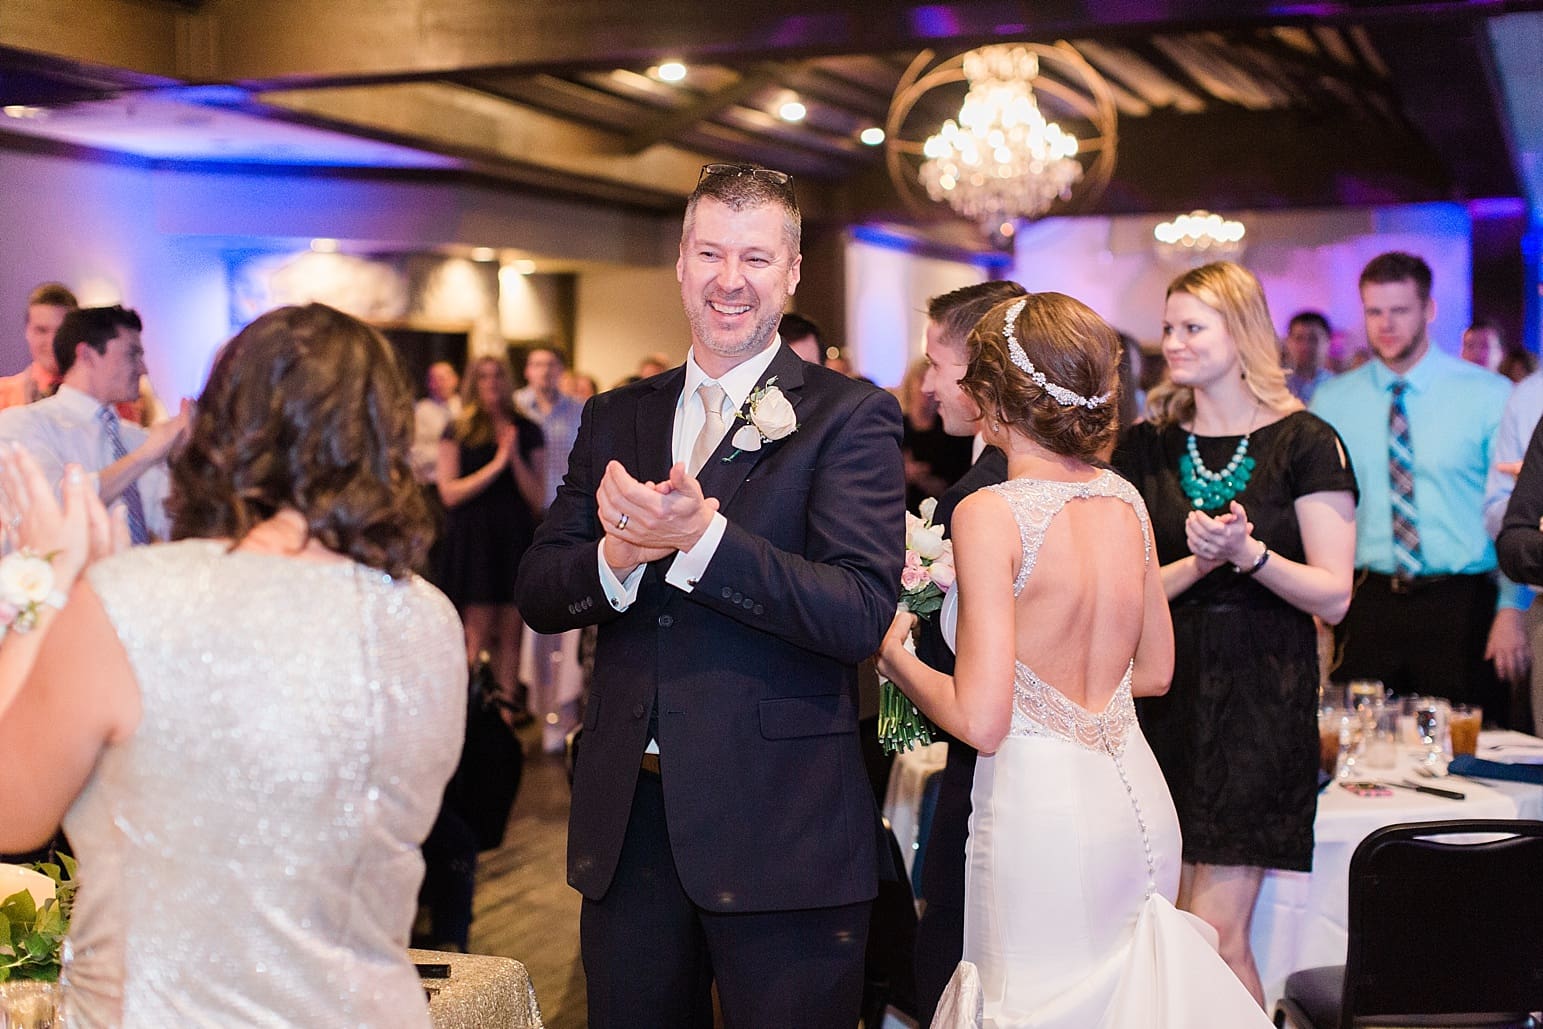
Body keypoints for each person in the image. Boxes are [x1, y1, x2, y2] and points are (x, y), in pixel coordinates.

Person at [0, 302, 467, 1026]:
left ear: (224, 427)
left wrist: (43, 582)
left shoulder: (134, 600)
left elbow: (8, 810)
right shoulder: (429, 618)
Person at [515, 162, 904, 1028]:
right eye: (711, 253)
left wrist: (703, 542)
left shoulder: (849, 416)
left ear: (793, 270)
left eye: (757, 259)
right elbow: (541, 589)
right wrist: (615, 555)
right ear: (682, 264)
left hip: (782, 825)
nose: (731, 280)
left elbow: (857, 612)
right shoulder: (617, 413)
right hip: (631, 826)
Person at [877, 291, 1271, 1028]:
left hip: (1042, 809)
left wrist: (895, 657)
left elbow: (982, 719)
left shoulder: (988, 509)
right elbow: (1154, 671)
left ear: (993, 393)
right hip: (1136, 799)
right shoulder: (1121, 498)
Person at [1113, 261, 1358, 1005]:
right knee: (1164, 927)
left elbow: (1335, 593)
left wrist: (1249, 556)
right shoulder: (1144, 446)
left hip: (1260, 701)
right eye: (1167, 327)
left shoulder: (1306, 441)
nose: (1173, 343)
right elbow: (1123, 592)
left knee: (1212, 932)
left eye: (1192, 327)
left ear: (1241, 331)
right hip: (1161, 695)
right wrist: (1199, 560)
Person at [1312, 252, 1524, 723]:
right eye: (1374, 312)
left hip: (1463, 604)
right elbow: (1317, 511)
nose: (1386, 324)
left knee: (1466, 759)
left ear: (1429, 309)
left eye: (1400, 311)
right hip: (1366, 604)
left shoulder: (1489, 395)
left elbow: (1515, 511)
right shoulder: (1331, 402)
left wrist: (1512, 608)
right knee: (1362, 761)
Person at [907, 278, 1027, 1026]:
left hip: (985, 770)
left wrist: (897, 647)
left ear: (982, 374)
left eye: (935, 365)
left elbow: (955, 665)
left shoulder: (977, 500)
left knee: (954, 965)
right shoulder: (1092, 486)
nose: (924, 385)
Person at [0, 305, 188, 544]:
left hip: (139, 577)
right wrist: (145, 456)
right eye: (132, 354)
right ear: (86, 354)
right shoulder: (22, 424)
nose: (143, 369)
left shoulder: (135, 439)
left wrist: (190, 459)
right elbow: (52, 508)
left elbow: (176, 524)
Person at [437, 353, 545, 710]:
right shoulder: (458, 428)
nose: (491, 383)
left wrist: (512, 456)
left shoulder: (527, 428)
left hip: (513, 536)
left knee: (512, 635)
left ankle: (505, 720)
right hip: (474, 539)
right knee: (476, 634)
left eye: (497, 375)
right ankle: (471, 716)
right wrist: (496, 463)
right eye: (482, 377)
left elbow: (537, 496)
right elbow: (449, 493)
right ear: (473, 382)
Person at [515, 345, 588, 751]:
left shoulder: (578, 411)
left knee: (560, 618)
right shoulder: (515, 410)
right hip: (522, 517)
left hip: (563, 519)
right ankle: (534, 706)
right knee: (523, 619)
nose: (543, 370)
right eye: (536, 363)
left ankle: (560, 713)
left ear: (560, 369)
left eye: (550, 364)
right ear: (527, 368)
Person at [899, 356, 973, 511]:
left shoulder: (951, 431)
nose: (926, 390)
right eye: (920, 380)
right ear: (910, 385)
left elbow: (958, 486)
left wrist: (920, 477)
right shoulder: (896, 426)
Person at [0, 282, 76, 409]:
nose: (52, 341)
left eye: (61, 331)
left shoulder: (107, 398)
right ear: (27, 332)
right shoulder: (3, 396)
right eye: (41, 330)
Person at [413, 360, 462, 486]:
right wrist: (449, 456)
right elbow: (415, 451)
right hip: (431, 483)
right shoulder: (421, 411)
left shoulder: (466, 408)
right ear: (429, 383)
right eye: (434, 379)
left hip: (463, 482)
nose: (440, 383)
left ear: (455, 379)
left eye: (444, 378)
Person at [1282, 310, 1335, 402]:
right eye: (1299, 338)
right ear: (1288, 342)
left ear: (1328, 342)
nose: (1305, 346)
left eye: (1313, 339)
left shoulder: (1336, 385)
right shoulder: (1276, 384)